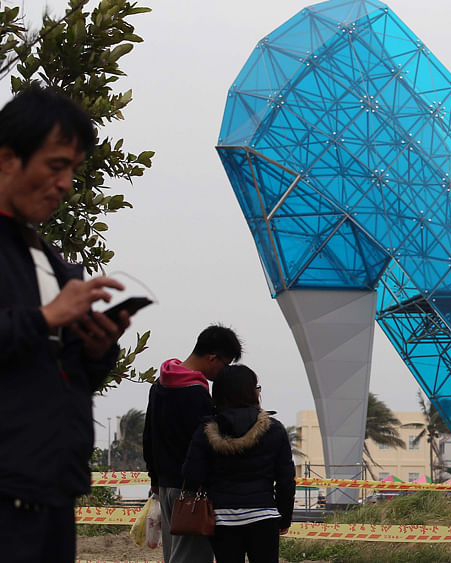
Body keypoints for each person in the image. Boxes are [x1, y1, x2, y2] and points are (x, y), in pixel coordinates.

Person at [0, 86, 132, 562]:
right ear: (8, 158)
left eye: (73, 171)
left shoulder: (49, 260)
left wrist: (97, 350)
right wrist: (47, 317)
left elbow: (62, 369)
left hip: (53, 490)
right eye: (56, 166)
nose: (64, 184)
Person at [143, 325, 242, 563]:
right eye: (225, 364)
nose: (223, 372)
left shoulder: (160, 383)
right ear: (212, 357)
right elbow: (203, 445)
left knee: (174, 554)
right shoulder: (196, 392)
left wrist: (154, 479)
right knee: (192, 555)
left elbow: (148, 435)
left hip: (165, 485)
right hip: (190, 489)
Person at [182, 364, 296, 563]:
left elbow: (192, 475)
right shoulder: (274, 429)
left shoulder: (205, 431)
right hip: (264, 516)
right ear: (252, 392)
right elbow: (286, 480)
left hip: (221, 518)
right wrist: (284, 517)